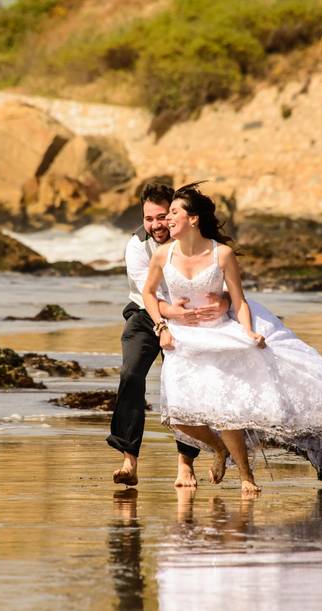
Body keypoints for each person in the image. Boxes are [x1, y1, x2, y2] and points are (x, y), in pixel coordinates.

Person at [142, 183, 322, 496]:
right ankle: (219, 450)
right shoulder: (162, 255)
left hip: (218, 337)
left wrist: (249, 331)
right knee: (178, 417)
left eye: (173, 212)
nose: (167, 219)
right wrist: (162, 326)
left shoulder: (221, 254)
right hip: (181, 339)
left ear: (193, 219)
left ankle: (246, 476)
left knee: (226, 413)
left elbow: (238, 300)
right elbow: (147, 293)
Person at [107, 183, 230, 487]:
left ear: (176, 213)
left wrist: (219, 305)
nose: (155, 225)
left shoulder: (201, 242)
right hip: (147, 313)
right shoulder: (137, 244)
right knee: (131, 373)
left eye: (162, 217)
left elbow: (223, 284)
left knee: (186, 388)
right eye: (148, 218)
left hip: (194, 319)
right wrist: (169, 319)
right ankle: (128, 460)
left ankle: (185, 463)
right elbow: (148, 295)